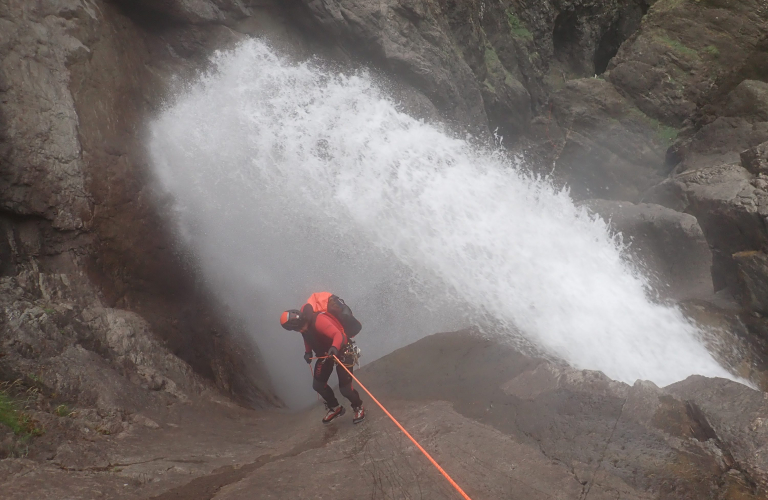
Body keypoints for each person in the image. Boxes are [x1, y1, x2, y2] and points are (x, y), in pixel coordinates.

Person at [280, 304, 365, 424]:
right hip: (326, 354)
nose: (300, 331)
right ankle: (335, 408)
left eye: (298, 329)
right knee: (318, 385)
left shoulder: (319, 320)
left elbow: (339, 335)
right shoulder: (304, 325)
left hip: (342, 351)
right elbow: (307, 337)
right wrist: (308, 352)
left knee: (345, 389)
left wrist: (335, 348)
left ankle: (358, 406)